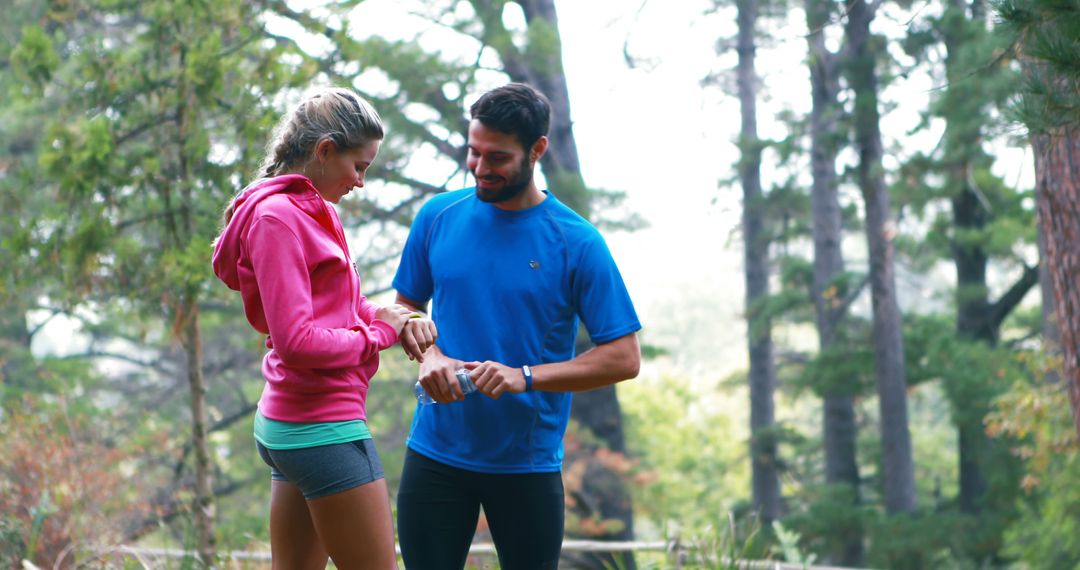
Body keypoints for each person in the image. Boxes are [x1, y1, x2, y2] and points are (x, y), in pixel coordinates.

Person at [392, 82, 642, 570]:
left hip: (525, 467)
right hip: (435, 454)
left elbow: (624, 357)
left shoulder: (577, 242)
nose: (481, 169)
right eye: (474, 152)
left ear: (538, 149)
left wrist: (524, 376)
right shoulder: (437, 217)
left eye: (498, 158)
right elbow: (406, 305)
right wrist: (432, 355)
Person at [212, 87, 436, 570]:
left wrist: (391, 316)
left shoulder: (313, 211)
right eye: (359, 167)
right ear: (325, 149)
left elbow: (340, 303)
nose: (361, 182)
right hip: (320, 426)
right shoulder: (279, 218)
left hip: (298, 421)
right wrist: (380, 336)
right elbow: (297, 342)